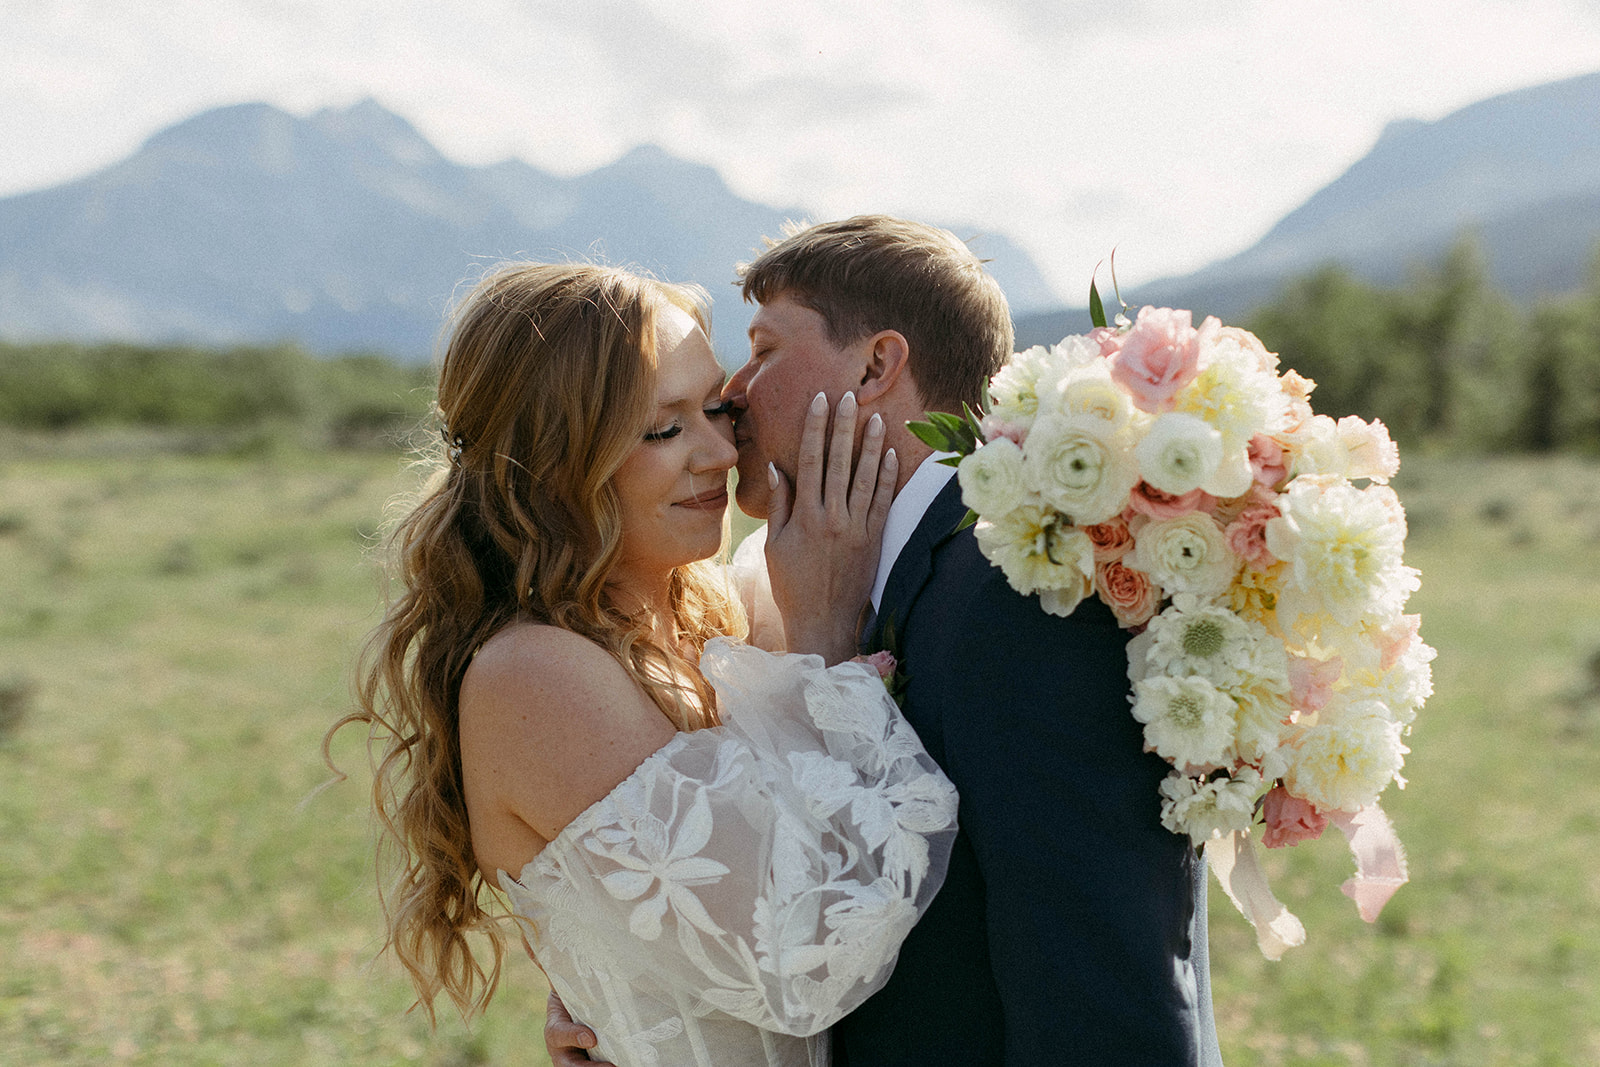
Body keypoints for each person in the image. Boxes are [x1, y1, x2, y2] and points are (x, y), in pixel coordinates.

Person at [548, 216, 1224, 1065]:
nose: (732, 393)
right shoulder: (831, 578)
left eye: (764, 350)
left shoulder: (1017, 596)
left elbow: (1105, 990)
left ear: (875, 367)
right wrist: (624, 984)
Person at [335, 262, 960, 1067]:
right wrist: (825, 636)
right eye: (664, 430)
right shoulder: (532, 673)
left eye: (717, 408)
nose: (720, 451)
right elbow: (806, 955)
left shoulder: (724, 608)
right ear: (551, 459)